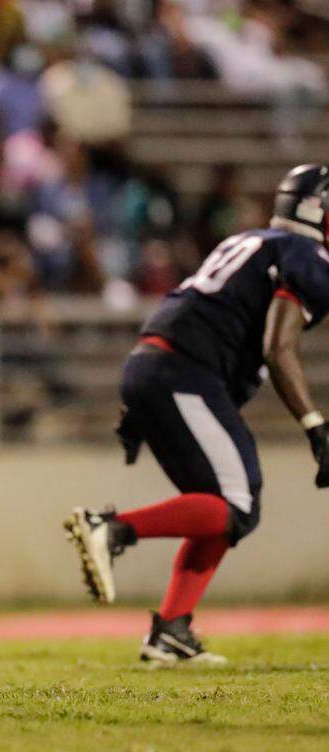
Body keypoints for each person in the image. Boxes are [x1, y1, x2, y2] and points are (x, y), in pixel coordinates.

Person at [64, 164, 329, 666]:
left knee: (219, 505)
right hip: (185, 371)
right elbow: (279, 348)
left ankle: (171, 631)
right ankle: (112, 529)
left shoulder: (249, 241)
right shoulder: (304, 255)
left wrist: (141, 403)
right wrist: (314, 424)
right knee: (237, 502)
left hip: (154, 362)